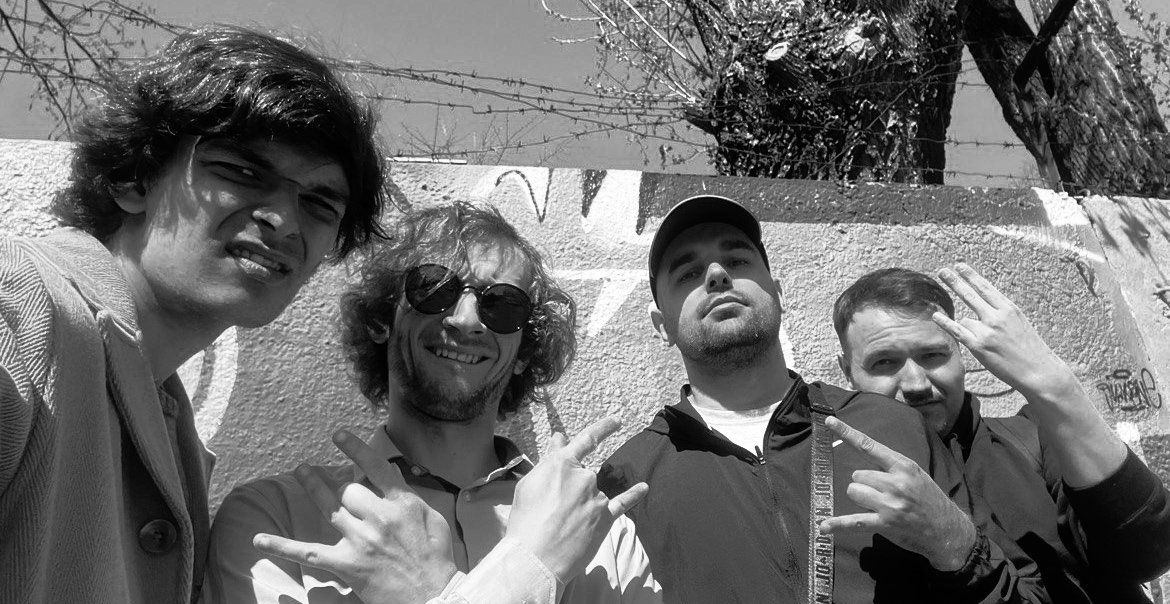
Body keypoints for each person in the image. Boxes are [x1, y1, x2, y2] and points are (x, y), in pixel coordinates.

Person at [0, 26, 641, 604]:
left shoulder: (171, 440)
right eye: (241, 170)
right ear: (133, 177)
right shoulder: (22, 308)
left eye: (318, 203)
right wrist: (529, 569)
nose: (283, 220)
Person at [598, 195, 1047, 603]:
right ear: (661, 325)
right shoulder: (628, 483)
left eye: (737, 259)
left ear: (778, 294)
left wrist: (958, 547)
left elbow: (1031, 595)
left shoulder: (890, 426)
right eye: (688, 273)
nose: (717, 274)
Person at [202, 202, 659, 604]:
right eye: (434, 289)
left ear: (523, 352)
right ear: (382, 320)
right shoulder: (277, 520)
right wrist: (533, 567)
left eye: (502, 305)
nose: (466, 320)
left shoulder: (602, 533)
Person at [833, 265, 1170, 603]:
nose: (916, 384)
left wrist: (1056, 386)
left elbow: (1149, 553)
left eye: (932, 355)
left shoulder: (1034, 437)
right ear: (847, 370)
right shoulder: (832, 493)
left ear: (960, 354)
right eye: (884, 363)